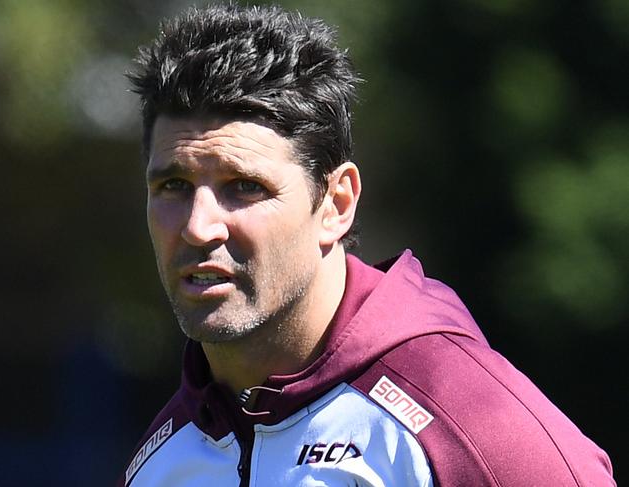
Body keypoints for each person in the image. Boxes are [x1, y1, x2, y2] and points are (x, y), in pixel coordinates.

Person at [117, 4, 615, 486]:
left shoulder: (477, 435)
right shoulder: (160, 461)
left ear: (335, 203)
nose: (199, 227)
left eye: (245, 187)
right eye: (173, 187)